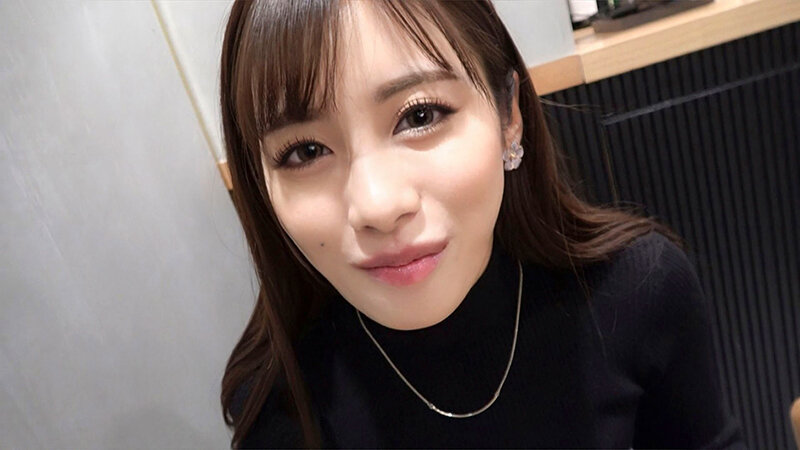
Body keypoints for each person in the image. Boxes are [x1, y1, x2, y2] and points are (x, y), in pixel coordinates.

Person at [217, 0, 746, 448]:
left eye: (420, 116)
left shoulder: (639, 292)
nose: (377, 205)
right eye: (305, 151)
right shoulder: (278, 405)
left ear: (507, 114)